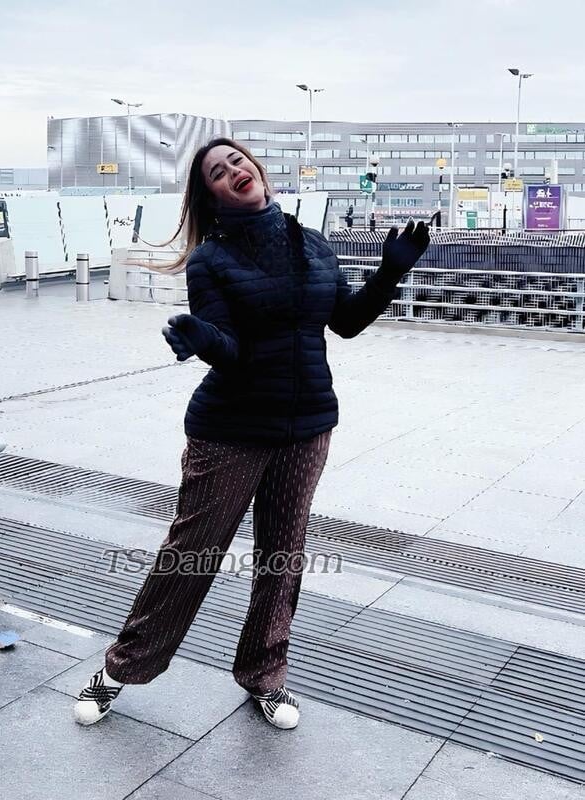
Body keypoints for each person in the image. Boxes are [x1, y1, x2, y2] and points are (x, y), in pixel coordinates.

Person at [73, 137, 429, 731]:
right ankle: (120, 669)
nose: (233, 170)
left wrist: (391, 271)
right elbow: (231, 350)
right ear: (211, 196)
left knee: (282, 559)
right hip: (230, 430)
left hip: (307, 425)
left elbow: (345, 322)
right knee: (191, 555)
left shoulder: (313, 243)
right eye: (218, 171)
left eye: (237, 160)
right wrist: (203, 339)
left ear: (256, 169)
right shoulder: (211, 260)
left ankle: (265, 674)